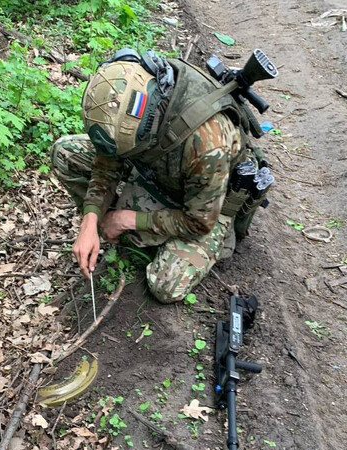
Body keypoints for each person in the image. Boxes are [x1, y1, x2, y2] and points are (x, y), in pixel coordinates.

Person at [51, 49, 271, 303]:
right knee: (65, 153)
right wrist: (90, 221)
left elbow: (199, 221)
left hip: (206, 206)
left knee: (167, 284)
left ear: (147, 130)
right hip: (162, 172)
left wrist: (127, 220)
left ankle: (187, 238)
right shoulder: (128, 89)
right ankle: (115, 230)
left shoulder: (207, 144)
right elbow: (107, 163)